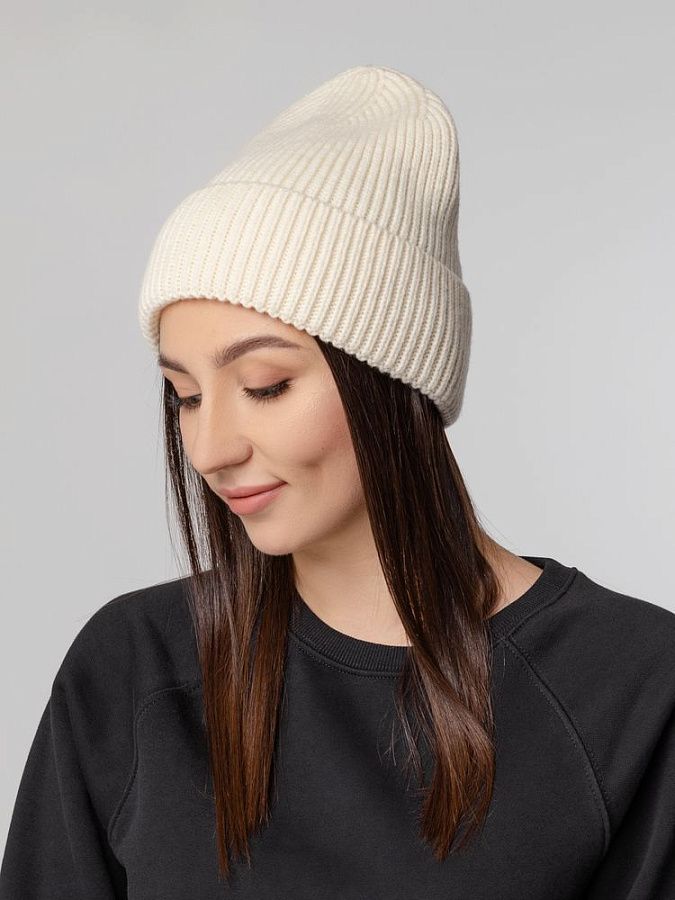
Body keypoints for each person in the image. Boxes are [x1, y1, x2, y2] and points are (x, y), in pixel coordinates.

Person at [1, 64, 674, 900]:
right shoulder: (135, 669)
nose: (209, 449)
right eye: (185, 396)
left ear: (392, 383)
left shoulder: (631, 684)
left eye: (265, 386)